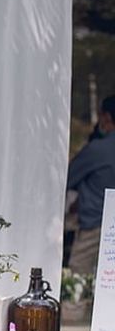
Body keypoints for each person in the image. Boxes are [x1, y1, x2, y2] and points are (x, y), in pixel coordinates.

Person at [67, 95, 115, 275]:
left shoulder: (98, 149)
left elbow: (68, 177)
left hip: (95, 225)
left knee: (78, 281)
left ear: (106, 117)